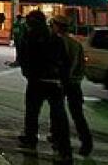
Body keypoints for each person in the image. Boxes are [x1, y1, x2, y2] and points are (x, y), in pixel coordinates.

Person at [17, 10, 72, 163]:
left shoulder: (29, 36)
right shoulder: (55, 37)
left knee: (32, 111)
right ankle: (64, 148)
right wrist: (63, 80)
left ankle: (30, 138)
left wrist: (28, 74)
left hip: (37, 81)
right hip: (54, 82)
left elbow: (23, 57)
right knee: (59, 116)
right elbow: (65, 61)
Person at [51, 14, 92, 156]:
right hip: (75, 83)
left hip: (65, 82)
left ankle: (60, 138)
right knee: (77, 114)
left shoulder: (61, 42)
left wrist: (64, 79)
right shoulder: (76, 44)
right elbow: (80, 64)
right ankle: (85, 142)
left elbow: (70, 65)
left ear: (57, 26)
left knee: (59, 112)